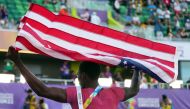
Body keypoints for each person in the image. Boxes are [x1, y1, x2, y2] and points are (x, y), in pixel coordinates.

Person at [6, 46, 141, 109]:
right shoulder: (114, 92)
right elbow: (134, 89)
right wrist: (138, 68)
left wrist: (18, 62)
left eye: (78, 75)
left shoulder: (77, 94)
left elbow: (42, 90)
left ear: (83, 76)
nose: (77, 78)